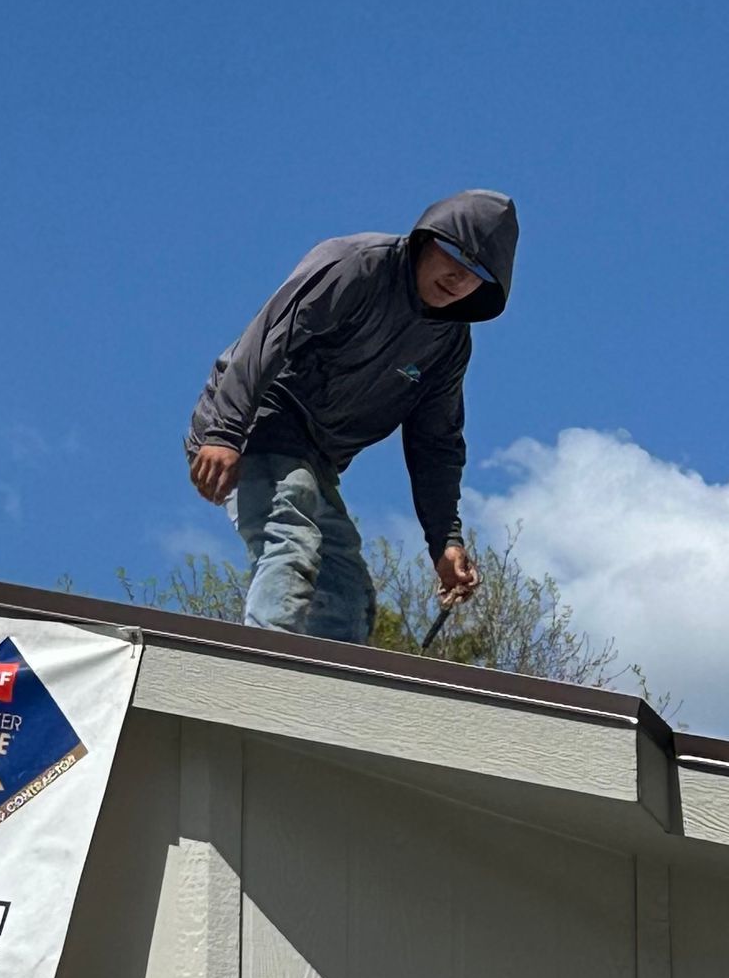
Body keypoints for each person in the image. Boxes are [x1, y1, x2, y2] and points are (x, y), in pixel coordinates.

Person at [185, 191, 519, 641]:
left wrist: (446, 540)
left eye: (477, 271)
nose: (459, 276)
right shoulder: (356, 266)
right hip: (258, 420)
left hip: (315, 457)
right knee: (291, 540)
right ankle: (258, 669)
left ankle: (322, 699)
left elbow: (435, 444)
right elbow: (268, 335)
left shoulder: (448, 343)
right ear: (428, 240)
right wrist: (225, 432)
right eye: (456, 254)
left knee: (345, 591)